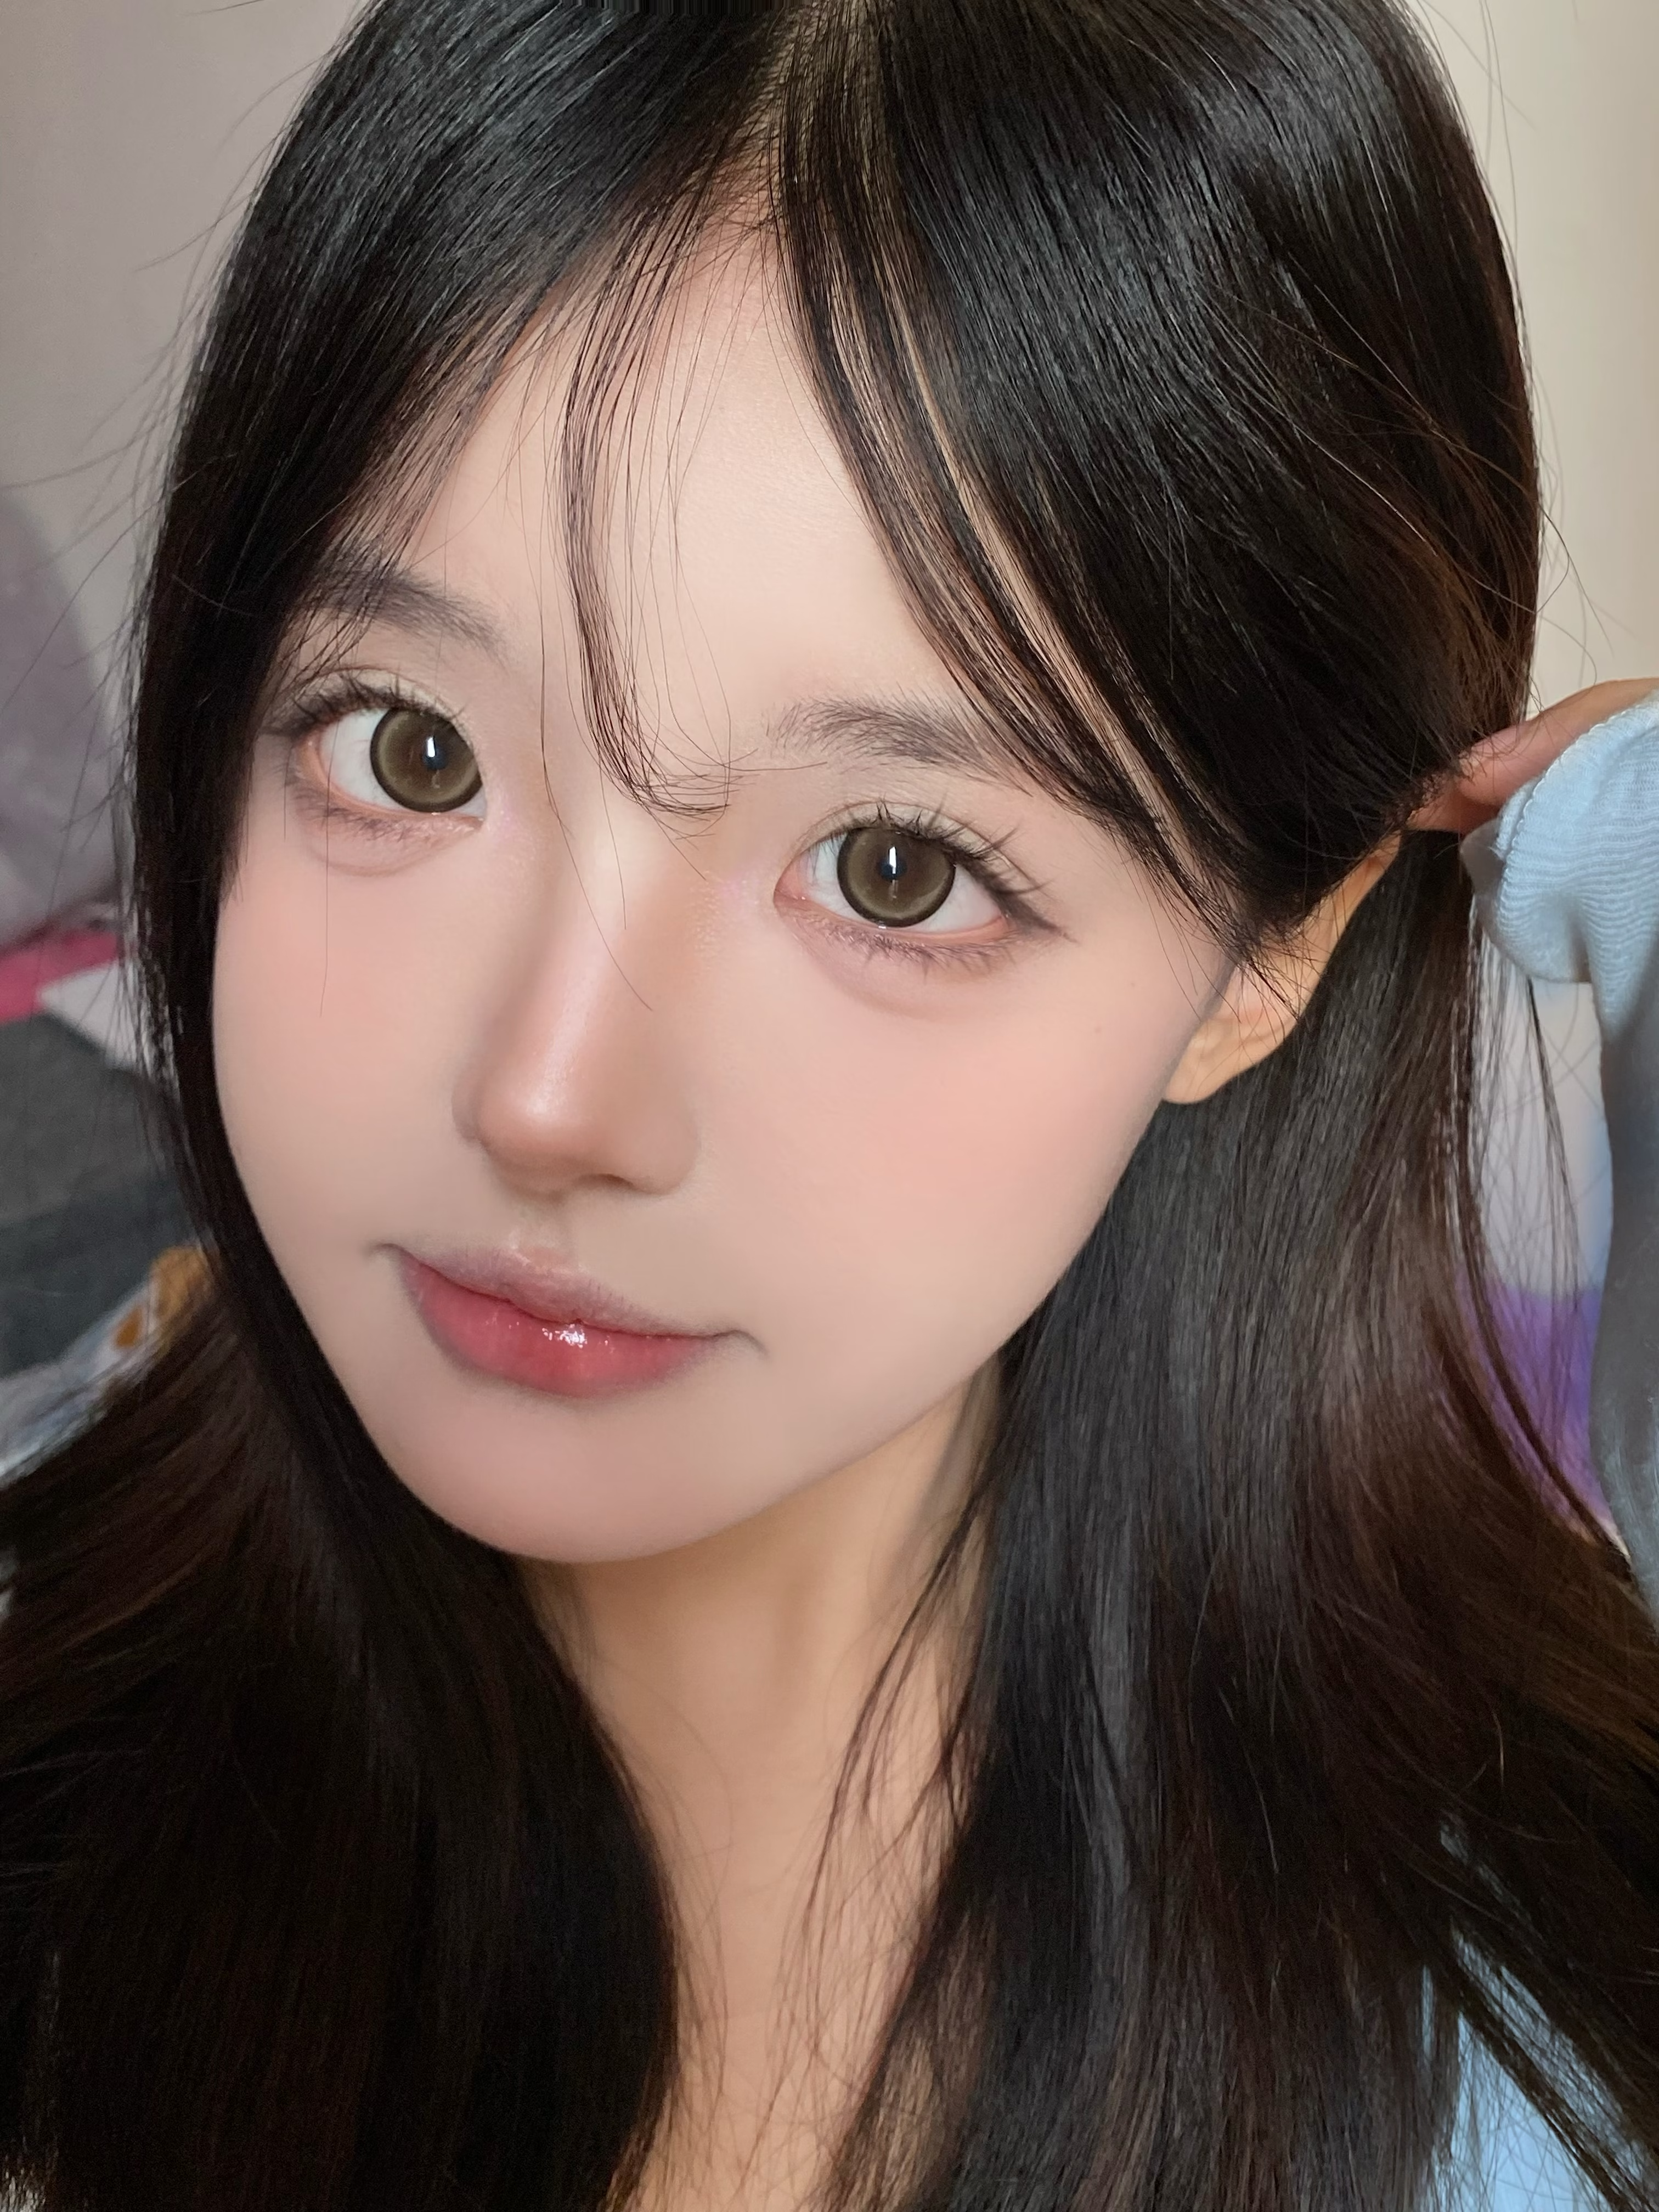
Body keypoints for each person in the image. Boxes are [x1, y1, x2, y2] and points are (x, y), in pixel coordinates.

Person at [0, 3, 1654, 2208]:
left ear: (1273, 950)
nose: (547, 1098)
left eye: (893, 869)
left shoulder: (1526, 2103)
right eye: (410, 748)